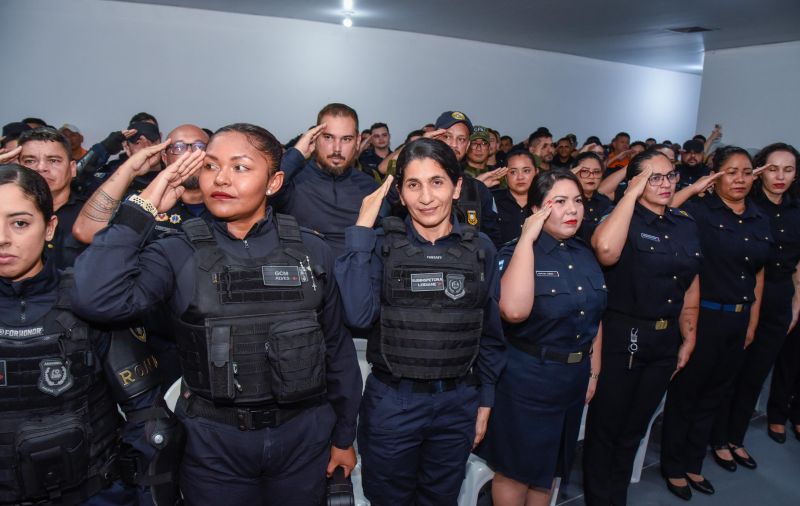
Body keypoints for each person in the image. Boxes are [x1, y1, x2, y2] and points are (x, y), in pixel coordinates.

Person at [69, 123, 362, 505]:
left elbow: (337, 352)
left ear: (274, 183)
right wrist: (143, 207)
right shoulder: (178, 250)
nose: (221, 178)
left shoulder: (311, 250)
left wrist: (343, 438)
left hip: (303, 438)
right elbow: (94, 297)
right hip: (214, 443)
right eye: (209, 166)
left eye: (240, 167)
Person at [335, 138, 505, 506]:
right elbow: (356, 314)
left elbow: (491, 333)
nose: (426, 197)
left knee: (440, 498)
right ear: (400, 191)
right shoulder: (381, 245)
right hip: (394, 402)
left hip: (458, 401)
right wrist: (363, 226)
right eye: (413, 185)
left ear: (457, 186)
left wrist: (485, 401)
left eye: (437, 182)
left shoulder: (481, 249)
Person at [0, 164, 162, 506]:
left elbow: (145, 417)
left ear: (49, 228)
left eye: (20, 223)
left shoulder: (89, 298)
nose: (3, 238)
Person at [477, 169, 606, 506]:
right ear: (537, 209)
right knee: (516, 471)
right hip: (527, 380)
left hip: (572, 380)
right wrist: (526, 239)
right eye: (559, 202)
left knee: (549, 469)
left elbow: (594, 316)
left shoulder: (583, 252)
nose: (572, 210)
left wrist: (593, 370)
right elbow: (514, 311)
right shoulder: (515, 252)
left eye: (577, 201)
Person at [583, 150, 702, 505]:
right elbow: (605, 250)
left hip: (665, 337)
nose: (665, 184)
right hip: (623, 335)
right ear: (634, 182)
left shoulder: (684, 222)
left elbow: (691, 279)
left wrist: (689, 332)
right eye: (653, 177)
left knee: (635, 426)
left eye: (669, 176)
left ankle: (615, 495)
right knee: (608, 426)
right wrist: (630, 194)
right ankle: (599, 497)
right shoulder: (621, 219)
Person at [661, 146, 772, 499]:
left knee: (715, 395)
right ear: (716, 174)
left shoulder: (758, 217)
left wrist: (752, 320)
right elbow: (663, 210)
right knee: (687, 395)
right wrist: (695, 188)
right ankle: (674, 467)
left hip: (739, 319)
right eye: (731, 171)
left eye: (746, 172)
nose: (740, 178)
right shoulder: (698, 211)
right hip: (702, 316)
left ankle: (694, 463)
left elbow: (757, 275)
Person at [711, 143, 800, 466]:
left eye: (788, 169)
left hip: (780, 302)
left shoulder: (795, 211)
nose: (780, 176)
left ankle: (736, 437)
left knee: (756, 374)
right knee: (731, 373)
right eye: (772, 168)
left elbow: (797, 264)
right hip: (746, 297)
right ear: (760, 171)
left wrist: (796, 304)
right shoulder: (747, 205)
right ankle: (718, 438)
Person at [273, 103, 380, 257]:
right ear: (315, 138)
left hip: (355, 276)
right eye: (328, 137)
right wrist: (296, 153)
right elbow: (265, 190)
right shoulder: (293, 180)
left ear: (357, 142)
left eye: (346, 139)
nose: (337, 148)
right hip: (304, 276)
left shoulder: (370, 187)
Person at [17, 127, 87, 269]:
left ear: (72, 168)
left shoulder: (90, 213)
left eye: (54, 160)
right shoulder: (5, 212)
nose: (41, 168)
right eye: (30, 161)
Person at [492, 149, 537, 244]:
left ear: (536, 172)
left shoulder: (545, 201)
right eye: (513, 172)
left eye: (526, 171)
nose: (520, 177)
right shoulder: (492, 200)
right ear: (505, 176)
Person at [572, 152, 612, 243]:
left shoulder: (605, 202)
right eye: (585, 171)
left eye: (596, 172)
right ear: (574, 173)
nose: (591, 176)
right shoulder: (568, 202)